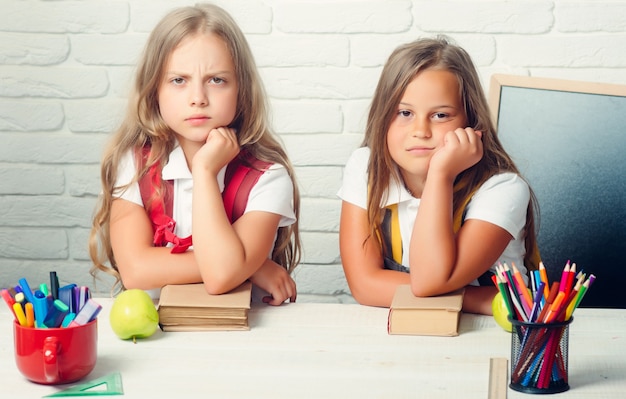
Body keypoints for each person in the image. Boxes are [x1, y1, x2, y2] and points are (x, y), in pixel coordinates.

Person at [89, 3, 301, 306]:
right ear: (154, 91)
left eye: (217, 80)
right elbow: (135, 271)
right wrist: (252, 267)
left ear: (242, 89)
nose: (198, 99)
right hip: (156, 336)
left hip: (243, 337)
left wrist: (203, 171)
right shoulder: (134, 165)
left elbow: (221, 277)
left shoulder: (267, 177)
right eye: (179, 80)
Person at [337, 36, 540, 315]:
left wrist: (441, 174)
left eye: (441, 115)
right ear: (382, 116)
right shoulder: (367, 167)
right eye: (404, 112)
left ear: (471, 121)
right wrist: (481, 300)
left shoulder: (503, 188)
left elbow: (429, 280)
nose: (421, 130)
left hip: (490, 334)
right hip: (410, 328)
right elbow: (364, 285)